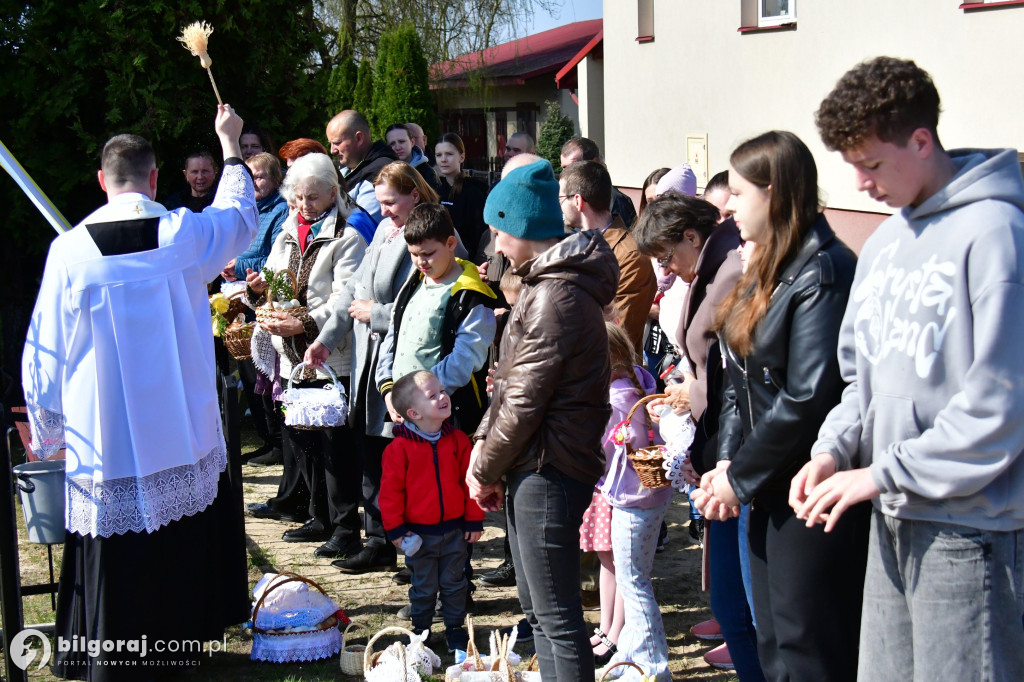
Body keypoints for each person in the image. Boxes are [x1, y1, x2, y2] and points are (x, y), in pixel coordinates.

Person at [794, 56, 1024, 681]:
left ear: (921, 141)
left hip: (970, 530)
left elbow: (999, 409)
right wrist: (834, 450)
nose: (860, 184)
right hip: (891, 514)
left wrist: (880, 473)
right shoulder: (885, 244)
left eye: (871, 164)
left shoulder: (997, 233)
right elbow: (859, 384)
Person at [22, 104, 255, 678]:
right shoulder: (182, 234)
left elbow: (44, 349)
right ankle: (183, 648)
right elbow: (238, 218)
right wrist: (229, 145)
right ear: (154, 179)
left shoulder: (69, 251)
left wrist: (47, 428)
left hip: (106, 437)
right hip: (180, 429)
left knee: (116, 544)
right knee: (180, 535)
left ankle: (111, 654)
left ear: (102, 182)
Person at [693, 131, 869, 682]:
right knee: (771, 643)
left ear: (775, 193)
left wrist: (738, 477)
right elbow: (735, 376)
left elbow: (806, 398)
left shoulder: (824, 272)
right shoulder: (767, 265)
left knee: (806, 646)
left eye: (739, 194)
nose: (728, 209)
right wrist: (727, 461)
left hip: (808, 492)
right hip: (764, 486)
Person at [467, 158, 619, 680]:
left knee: (557, 618)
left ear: (522, 227)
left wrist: (484, 468)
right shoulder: (542, 284)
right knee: (538, 613)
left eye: (498, 232)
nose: (495, 246)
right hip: (531, 462)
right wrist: (484, 447)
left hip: (549, 467)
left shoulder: (556, 295)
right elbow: (508, 383)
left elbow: (525, 401)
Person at [304, 162, 467, 574]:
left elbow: (437, 300)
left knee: (405, 461)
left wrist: (376, 313)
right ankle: (379, 538)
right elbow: (352, 291)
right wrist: (324, 340)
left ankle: (419, 549)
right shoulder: (382, 230)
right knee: (372, 456)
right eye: (380, 203)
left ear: (415, 195)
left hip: (408, 364)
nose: (384, 211)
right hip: (371, 362)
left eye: (391, 202)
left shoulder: (434, 236)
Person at [633, 194, 763, 679]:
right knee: (732, 600)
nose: (666, 269)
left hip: (735, 455)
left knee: (740, 605)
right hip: (719, 447)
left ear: (692, 235)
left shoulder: (728, 271)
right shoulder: (714, 267)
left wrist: (694, 392)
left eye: (667, 256)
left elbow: (732, 376)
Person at [244, 152, 370, 560]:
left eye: (313, 197)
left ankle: (346, 527)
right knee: (302, 438)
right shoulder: (287, 230)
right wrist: (259, 290)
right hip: (291, 356)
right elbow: (276, 281)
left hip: (330, 355)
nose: (304, 205)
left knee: (335, 447)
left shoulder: (347, 236)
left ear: (333, 193)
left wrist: (304, 323)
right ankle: (318, 516)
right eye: (298, 197)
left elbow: (344, 298)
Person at [380, 370, 484, 652]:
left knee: (455, 584)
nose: (443, 397)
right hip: (418, 535)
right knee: (423, 586)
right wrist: (396, 530)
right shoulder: (398, 449)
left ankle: (455, 629)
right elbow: (390, 495)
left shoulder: (459, 440)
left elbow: (470, 483)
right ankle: (420, 631)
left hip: (455, 530)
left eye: (442, 391)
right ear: (414, 413)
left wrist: (474, 519)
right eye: (432, 395)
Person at [376, 203, 496, 434]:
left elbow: (464, 360)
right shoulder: (413, 283)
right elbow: (393, 337)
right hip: (406, 412)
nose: (420, 262)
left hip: (448, 423)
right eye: (414, 254)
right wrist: (390, 390)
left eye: (428, 254)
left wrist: (421, 396)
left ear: (451, 244)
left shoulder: (470, 295)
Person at [596, 323, 673, 681]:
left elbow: (603, 449)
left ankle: (654, 667)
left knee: (634, 583)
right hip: (650, 493)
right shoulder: (640, 380)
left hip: (632, 497)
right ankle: (629, 654)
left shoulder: (615, 398)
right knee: (635, 577)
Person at [221, 152, 290, 467]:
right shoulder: (243, 212)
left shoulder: (280, 212)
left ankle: (280, 442)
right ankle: (267, 439)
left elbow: (277, 260)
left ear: (275, 179)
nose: (254, 183)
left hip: (266, 303)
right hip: (239, 301)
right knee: (251, 378)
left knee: (269, 378)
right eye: (249, 177)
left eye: (260, 176)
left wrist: (238, 265)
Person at [559, 160, 657, 352]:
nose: (559, 205)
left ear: (577, 201)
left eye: (561, 198)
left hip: (609, 368)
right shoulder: (573, 247)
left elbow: (617, 335)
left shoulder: (630, 257)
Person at [326, 109, 398, 223]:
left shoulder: (381, 173)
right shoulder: (347, 168)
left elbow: (362, 225)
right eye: (331, 143)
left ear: (359, 138)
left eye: (337, 143)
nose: (332, 150)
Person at [435, 132, 489, 264]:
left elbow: (479, 234)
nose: (443, 159)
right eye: (439, 155)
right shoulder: (437, 191)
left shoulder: (473, 191)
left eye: (449, 154)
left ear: (462, 157)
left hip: (469, 263)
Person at [560, 137, 637, 228]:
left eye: (573, 167)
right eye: (564, 168)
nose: (566, 173)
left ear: (594, 162)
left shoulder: (616, 200)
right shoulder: (566, 197)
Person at [386, 123, 440, 191]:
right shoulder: (383, 173)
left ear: (412, 142)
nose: (398, 147)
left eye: (401, 141)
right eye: (392, 144)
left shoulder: (428, 173)